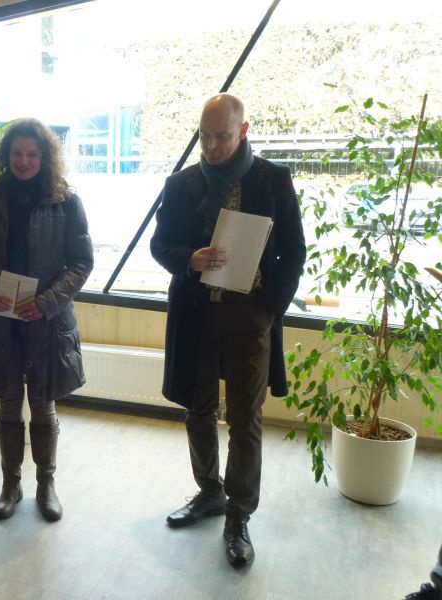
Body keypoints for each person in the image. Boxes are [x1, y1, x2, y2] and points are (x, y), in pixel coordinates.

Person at [150, 94, 306, 567]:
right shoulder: (181, 184)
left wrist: (269, 310)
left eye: (222, 136)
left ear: (243, 130)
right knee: (198, 409)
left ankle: (239, 515)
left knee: (245, 419)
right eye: (205, 135)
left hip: (250, 315)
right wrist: (189, 258)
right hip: (196, 313)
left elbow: (294, 251)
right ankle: (210, 492)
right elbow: (160, 244)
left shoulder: (272, 180)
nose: (212, 146)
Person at [0, 118, 94, 522]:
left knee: (43, 403)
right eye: (17, 153)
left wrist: (48, 302)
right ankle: (10, 485)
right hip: (1, 320)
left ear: (45, 157)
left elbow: (81, 262)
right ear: (7, 156)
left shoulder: (66, 201)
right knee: (8, 404)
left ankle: (46, 485)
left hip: (46, 320)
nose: (23, 161)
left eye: (32, 154)